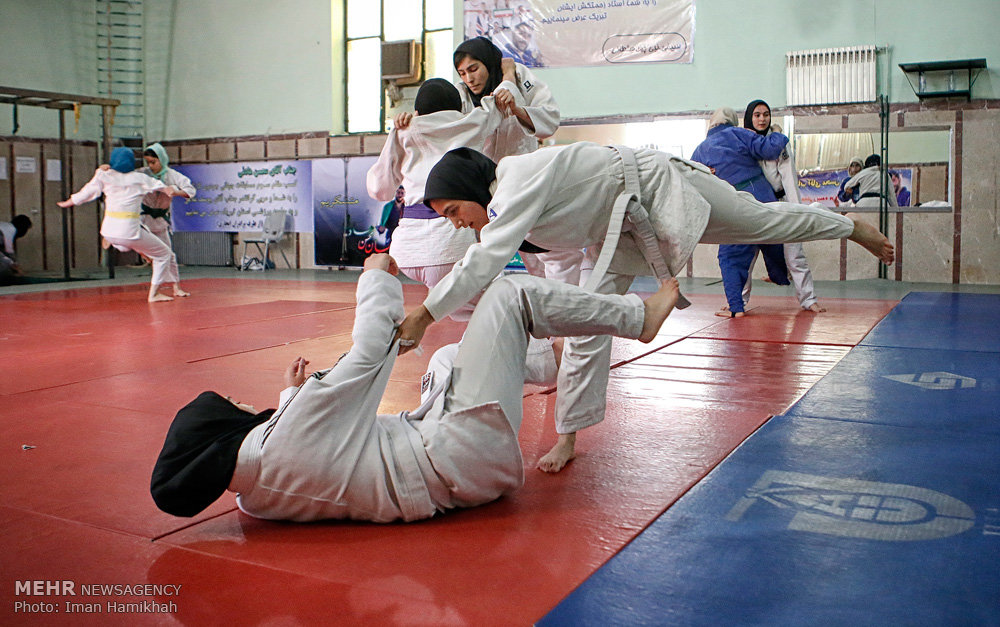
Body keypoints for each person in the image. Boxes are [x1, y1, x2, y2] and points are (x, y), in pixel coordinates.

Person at [396, 143, 894, 472]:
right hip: (616, 231)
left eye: (453, 212)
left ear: (469, 190)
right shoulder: (515, 215)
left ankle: (851, 226)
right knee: (588, 320)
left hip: (660, 187)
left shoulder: (513, 183)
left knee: (761, 223)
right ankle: (569, 436)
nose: (456, 223)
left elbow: (486, 258)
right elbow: (550, 266)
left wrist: (426, 312)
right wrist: (559, 318)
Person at [149, 253, 680, 522]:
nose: (248, 405)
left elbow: (311, 452)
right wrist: (377, 276)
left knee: (450, 358)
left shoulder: (253, 503)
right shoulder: (283, 434)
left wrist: (294, 398)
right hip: (461, 452)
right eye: (236, 406)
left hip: (453, 475)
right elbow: (367, 355)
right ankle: (638, 318)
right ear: (227, 429)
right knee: (509, 294)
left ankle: (555, 360)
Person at [370, 76, 522, 310]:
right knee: (496, 305)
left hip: (406, 254)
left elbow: (379, 189)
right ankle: (536, 346)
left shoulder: (404, 130)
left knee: (456, 308)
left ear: (418, 111)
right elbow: (499, 106)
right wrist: (508, 79)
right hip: (451, 247)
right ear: (459, 108)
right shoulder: (472, 121)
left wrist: (396, 132)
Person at [453, 36, 583, 287]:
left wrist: (516, 107)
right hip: (487, 187)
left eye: (473, 69)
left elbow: (550, 119)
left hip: (526, 180)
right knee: (487, 253)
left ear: (489, 64)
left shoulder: (521, 78)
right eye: (462, 73)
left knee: (544, 251)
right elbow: (442, 122)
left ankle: (561, 305)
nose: (469, 78)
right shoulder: (461, 93)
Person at [691, 108, 792, 318]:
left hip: (733, 204)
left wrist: (704, 172)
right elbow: (770, 149)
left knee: (730, 257)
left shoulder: (701, 149)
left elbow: (690, 177)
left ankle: (736, 308)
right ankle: (780, 276)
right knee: (772, 239)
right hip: (762, 196)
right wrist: (778, 133)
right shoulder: (740, 134)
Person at [57, 147, 191, 302]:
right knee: (164, 254)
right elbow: (165, 188)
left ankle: (136, 250)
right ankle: (154, 293)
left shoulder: (104, 175)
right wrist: (175, 190)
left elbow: (87, 192)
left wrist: (70, 201)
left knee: (130, 240)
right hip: (129, 231)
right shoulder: (140, 179)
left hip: (108, 230)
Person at [741, 99, 824, 313]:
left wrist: (797, 210)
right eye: (757, 115)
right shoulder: (741, 143)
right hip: (752, 206)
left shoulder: (778, 142)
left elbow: (788, 177)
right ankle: (737, 301)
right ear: (749, 117)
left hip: (781, 203)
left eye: (766, 114)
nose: (762, 119)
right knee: (745, 256)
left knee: (794, 253)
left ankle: (808, 299)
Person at [138, 143, 196, 295]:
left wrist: (175, 192)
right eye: (148, 162)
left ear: (161, 160)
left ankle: (176, 287)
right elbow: (123, 177)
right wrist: (106, 169)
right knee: (150, 252)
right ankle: (148, 261)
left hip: (161, 221)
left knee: (169, 255)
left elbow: (191, 191)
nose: (150, 166)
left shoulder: (172, 175)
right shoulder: (143, 173)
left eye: (153, 162)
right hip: (143, 220)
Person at [0, 214, 32, 283]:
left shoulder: (6, 226)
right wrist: (16, 267)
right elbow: (9, 251)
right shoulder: (11, 229)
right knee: (5, 265)